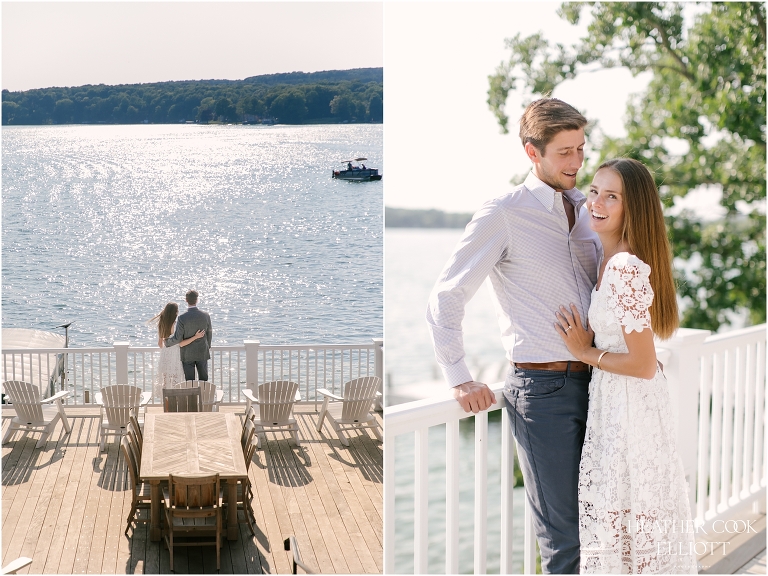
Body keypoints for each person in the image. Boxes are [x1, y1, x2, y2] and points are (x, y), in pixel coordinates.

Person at [426, 97, 600, 573]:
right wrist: (460, 376)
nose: (577, 162)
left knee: (602, 524)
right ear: (532, 152)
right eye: (564, 152)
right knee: (566, 540)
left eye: (581, 148)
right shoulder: (504, 212)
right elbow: (446, 295)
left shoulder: (590, 209)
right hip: (543, 393)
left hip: (603, 383)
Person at [554, 158, 697, 573]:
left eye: (611, 196)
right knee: (624, 520)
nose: (596, 202)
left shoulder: (625, 268)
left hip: (631, 406)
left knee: (631, 519)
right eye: (594, 191)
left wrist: (585, 353)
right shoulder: (607, 258)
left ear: (632, 208)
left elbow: (644, 363)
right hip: (615, 401)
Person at [148, 302, 205, 398]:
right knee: (175, 380)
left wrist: (166, 350)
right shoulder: (176, 324)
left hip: (165, 355)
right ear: (175, 312)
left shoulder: (162, 323)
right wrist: (195, 337)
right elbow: (181, 343)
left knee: (166, 381)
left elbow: (160, 344)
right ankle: (176, 404)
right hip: (175, 354)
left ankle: (167, 405)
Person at [165, 290, 213, 381]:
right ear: (197, 300)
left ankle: (192, 396)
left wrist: (167, 342)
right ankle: (204, 395)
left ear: (186, 300)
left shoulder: (182, 318)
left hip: (187, 354)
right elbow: (209, 333)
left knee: (189, 383)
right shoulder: (206, 315)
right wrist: (208, 346)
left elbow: (178, 338)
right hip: (202, 352)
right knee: (204, 381)